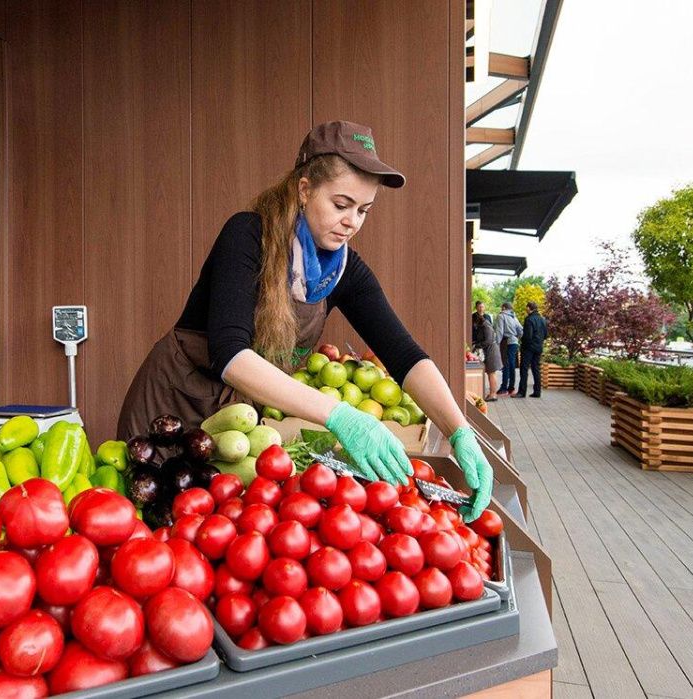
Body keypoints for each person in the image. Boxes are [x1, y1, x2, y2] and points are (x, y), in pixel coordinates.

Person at [117, 120, 494, 520]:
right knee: (146, 524)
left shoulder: (343, 270)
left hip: (236, 428)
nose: (352, 221)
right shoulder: (247, 235)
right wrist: (340, 414)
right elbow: (231, 354)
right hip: (173, 407)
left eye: (364, 210)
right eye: (341, 204)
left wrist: (459, 430)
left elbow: (403, 355)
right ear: (304, 189)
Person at [515, 301, 548, 398]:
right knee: (536, 369)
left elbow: (527, 336)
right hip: (538, 347)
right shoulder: (542, 319)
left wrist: (522, 343)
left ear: (529, 308)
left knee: (524, 369)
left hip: (528, 348)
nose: (526, 309)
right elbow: (546, 334)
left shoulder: (529, 319)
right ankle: (537, 392)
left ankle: (522, 392)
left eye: (527, 308)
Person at [472, 313, 501, 401]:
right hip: (489, 351)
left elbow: (488, 340)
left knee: (491, 373)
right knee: (490, 372)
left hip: (491, 351)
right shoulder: (484, 325)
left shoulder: (486, 326)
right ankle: (492, 393)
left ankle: (493, 394)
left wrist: (477, 345)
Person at [495, 302, 522, 395]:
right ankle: (511, 388)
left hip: (506, 343)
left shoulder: (501, 316)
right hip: (514, 342)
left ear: (503, 307)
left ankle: (503, 388)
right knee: (512, 365)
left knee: (505, 364)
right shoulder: (514, 317)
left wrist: (496, 343)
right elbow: (520, 330)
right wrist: (516, 337)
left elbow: (499, 331)